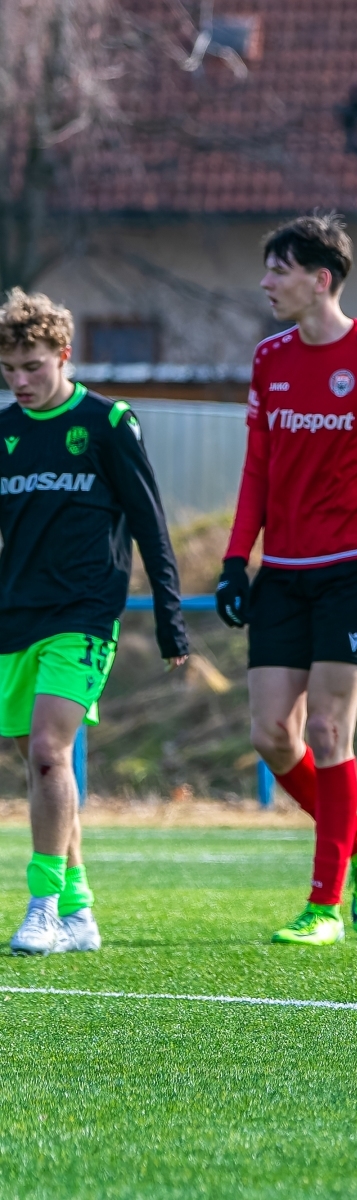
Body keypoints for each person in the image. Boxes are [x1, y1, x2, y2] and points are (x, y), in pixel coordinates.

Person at [215, 213, 357, 946]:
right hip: (283, 569)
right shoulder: (269, 359)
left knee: (330, 729)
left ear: (321, 278)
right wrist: (235, 559)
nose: (266, 283)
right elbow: (258, 469)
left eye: (279, 270)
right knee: (272, 734)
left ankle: (323, 907)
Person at [0, 288, 189, 955]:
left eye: (32, 366)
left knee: (49, 753)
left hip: (83, 615)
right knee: (38, 765)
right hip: (14, 617)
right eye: (9, 369)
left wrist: (169, 615)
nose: (20, 381)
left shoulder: (107, 422)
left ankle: (42, 907)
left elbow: (149, 523)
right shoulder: (4, 432)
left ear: (63, 354)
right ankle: (80, 912)